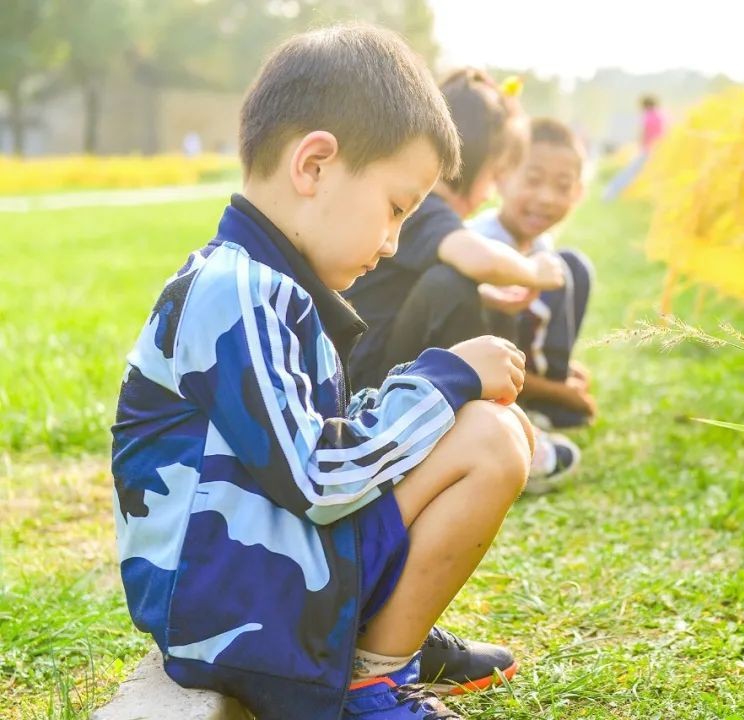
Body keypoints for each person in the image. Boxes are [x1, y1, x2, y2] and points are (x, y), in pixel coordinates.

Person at [111, 25, 535, 720]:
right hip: (230, 613)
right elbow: (319, 476)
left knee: (489, 429)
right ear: (313, 166)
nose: (394, 242)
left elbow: (316, 449)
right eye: (395, 208)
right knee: (487, 438)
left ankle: (374, 640)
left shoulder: (274, 288)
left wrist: (440, 398)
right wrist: (445, 379)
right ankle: (369, 677)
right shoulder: (233, 290)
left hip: (256, 580)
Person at [342, 69, 578, 490]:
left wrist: (490, 294)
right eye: (494, 175)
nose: (490, 193)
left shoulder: (422, 211)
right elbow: (472, 255)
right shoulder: (425, 210)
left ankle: (495, 421)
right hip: (367, 389)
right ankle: (496, 436)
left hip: (380, 367)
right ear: (467, 163)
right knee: (451, 283)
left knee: (468, 289)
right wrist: (532, 270)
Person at [467, 118, 596, 432]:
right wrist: (561, 392)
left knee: (572, 267)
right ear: (501, 177)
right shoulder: (482, 246)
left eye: (562, 186)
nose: (547, 198)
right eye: (533, 180)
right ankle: (537, 399)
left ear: (578, 192)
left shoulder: (540, 246)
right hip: (476, 371)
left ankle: (550, 380)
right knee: (560, 269)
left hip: (515, 366)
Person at [602, 94, 666, 201]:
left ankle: (609, 193)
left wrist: (639, 147)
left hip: (647, 150)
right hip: (658, 151)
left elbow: (643, 133)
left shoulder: (648, 116)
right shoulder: (662, 116)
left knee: (630, 172)